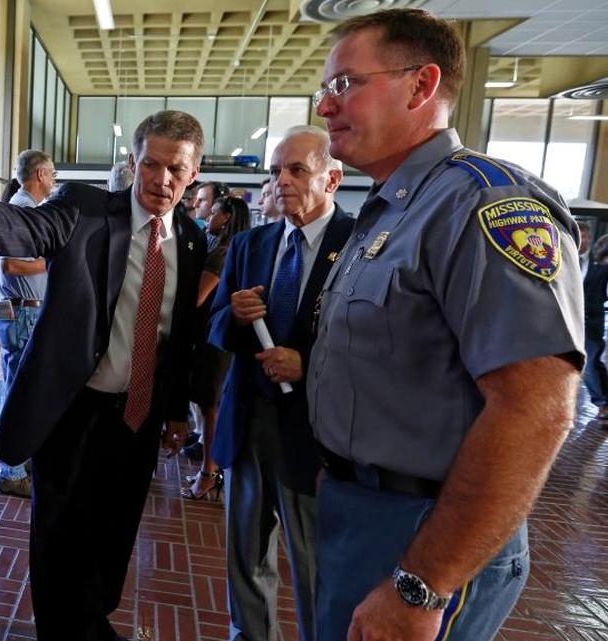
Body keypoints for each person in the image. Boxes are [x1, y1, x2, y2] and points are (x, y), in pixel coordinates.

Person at [310, 9, 582, 641]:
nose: (326, 109)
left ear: (420, 85)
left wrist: (423, 583)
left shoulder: (483, 203)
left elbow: (535, 408)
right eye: (325, 91)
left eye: (344, 85)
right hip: (366, 512)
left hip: (427, 533)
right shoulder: (389, 211)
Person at [0, 110, 207, 641]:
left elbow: (176, 338)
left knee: (117, 524)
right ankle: (64, 628)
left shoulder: (192, 240)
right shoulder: (85, 209)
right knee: (59, 530)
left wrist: (175, 410)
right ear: (133, 163)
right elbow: (26, 226)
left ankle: (91, 614)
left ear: (194, 172)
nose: (161, 180)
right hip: (73, 408)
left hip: (138, 414)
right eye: (150, 164)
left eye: (175, 168)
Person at [207, 125, 353, 641]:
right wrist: (237, 317)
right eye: (275, 171)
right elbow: (217, 328)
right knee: (246, 556)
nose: (281, 182)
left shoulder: (357, 245)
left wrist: (306, 364)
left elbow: (370, 348)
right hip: (249, 425)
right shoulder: (251, 244)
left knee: (315, 568)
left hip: (315, 436)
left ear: (331, 178)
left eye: (296, 170)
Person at [0, 150, 55, 496]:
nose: (55, 180)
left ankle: (17, 459)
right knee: (18, 390)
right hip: (23, 312)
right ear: (41, 174)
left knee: (18, 386)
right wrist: (52, 261)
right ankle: (10, 470)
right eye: (53, 173)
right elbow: (11, 266)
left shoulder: (23, 209)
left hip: (22, 310)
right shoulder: (23, 211)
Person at [182, 194, 251, 500]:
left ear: (225, 218)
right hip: (213, 337)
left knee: (212, 409)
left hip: (215, 341)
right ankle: (210, 470)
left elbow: (197, 297)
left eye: (212, 213)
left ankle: (210, 473)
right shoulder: (225, 248)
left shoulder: (222, 253)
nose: (206, 217)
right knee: (210, 407)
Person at [583, 233, 608, 420]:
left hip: (591, 321)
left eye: (586, 237)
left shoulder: (600, 268)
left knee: (591, 362)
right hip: (571, 321)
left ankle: (603, 403)